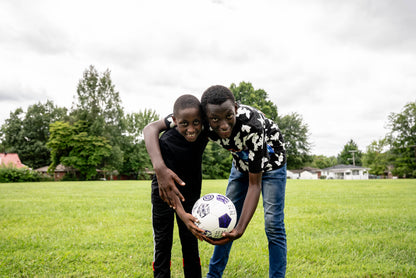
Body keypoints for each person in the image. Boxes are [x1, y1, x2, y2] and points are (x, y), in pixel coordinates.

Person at [200, 85, 287, 278]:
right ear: (206, 116)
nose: (223, 125)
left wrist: (240, 229)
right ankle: (213, 276)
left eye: (228, 116)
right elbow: (158, 126)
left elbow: (254, 185)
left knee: (273, 223)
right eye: (215, 119)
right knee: (226, 220)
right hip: (241, 162)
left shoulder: (252, 125)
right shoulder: (199, 121)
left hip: (272, 161)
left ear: (236, 109)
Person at [143, 94, 208, 278]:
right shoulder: (167, 141)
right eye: (184, 124)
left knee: (190, 241)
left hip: (191, 191)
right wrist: (181, 214)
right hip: (164, 190)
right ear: (174, 120)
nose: (191, 129)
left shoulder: (203, 132)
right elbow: (170, 189)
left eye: (196, 122)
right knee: (163, 241)